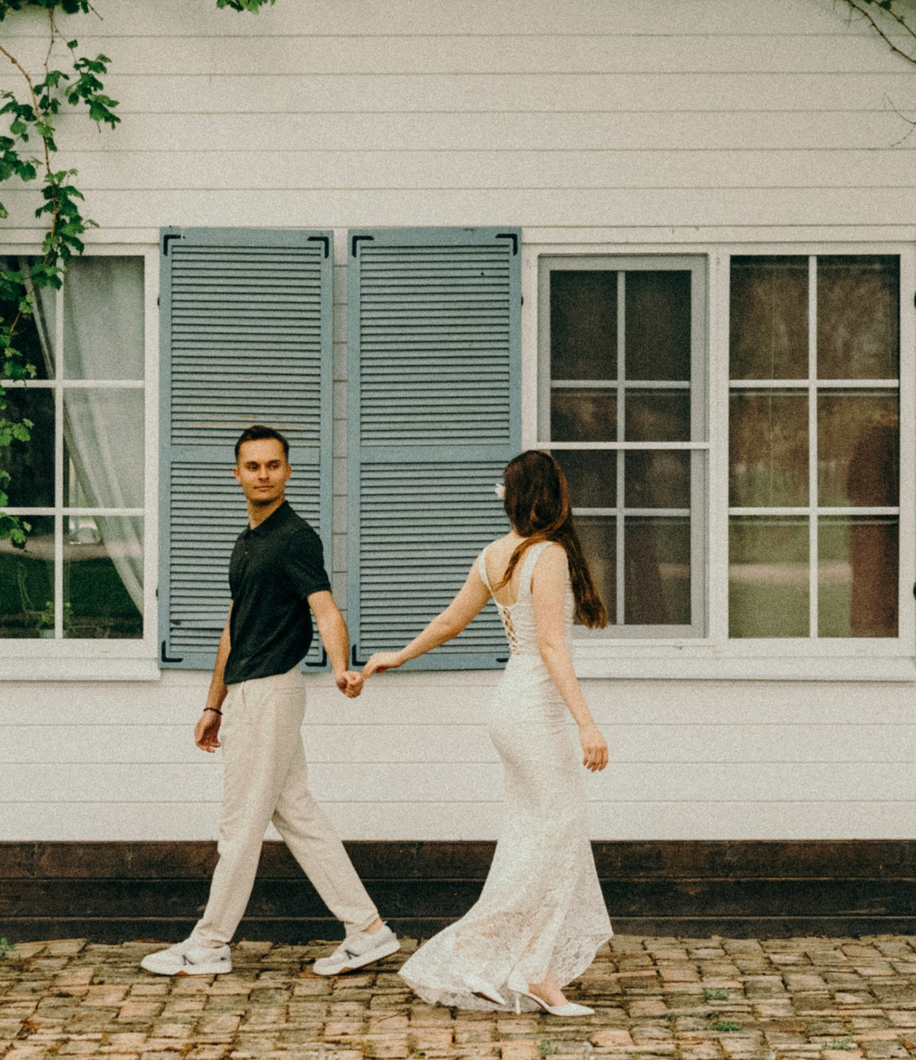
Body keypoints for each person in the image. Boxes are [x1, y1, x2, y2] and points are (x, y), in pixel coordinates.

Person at [141, 425, 401, 979]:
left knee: (239, 825)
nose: (263, 474)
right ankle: (368, 930)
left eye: (273, 465)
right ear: (237, 474)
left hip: (271, 692)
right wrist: (213, 704)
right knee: (298, 815)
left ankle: (209, 943)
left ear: (288, 471)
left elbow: (325, 609)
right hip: (247, 693)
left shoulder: (294, 537)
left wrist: (340, 668)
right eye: (253, 466)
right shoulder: (247, 541)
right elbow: (233, 628)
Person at [359, 449, 613, 1016]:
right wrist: (587, 723)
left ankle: (532, 966)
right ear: (554, 495)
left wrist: (397, 657)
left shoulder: (494, 555)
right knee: (557, 837)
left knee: (536, 838)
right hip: (536, 712)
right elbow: (550, 645)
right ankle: (496, 956)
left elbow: (451, 621)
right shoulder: (545, 556)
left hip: (512, 708)